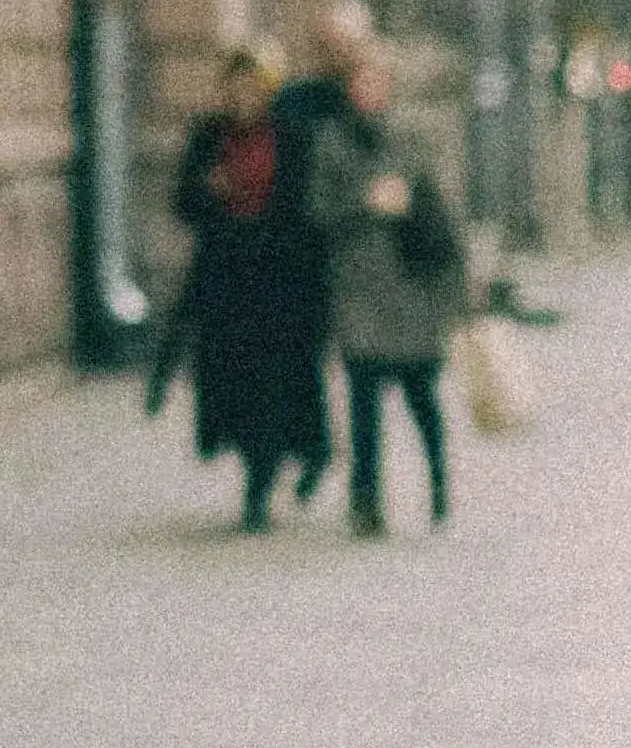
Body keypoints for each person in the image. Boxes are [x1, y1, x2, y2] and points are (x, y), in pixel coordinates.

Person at [163, 41, 329, 529]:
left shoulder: (292, 138)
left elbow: (303, 211)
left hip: (280, 283)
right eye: (235, 85)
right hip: (226, 281)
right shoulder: (209, 136)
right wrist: (207, 191)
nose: (243, 95)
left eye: (253, 86)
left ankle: (267, 480)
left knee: (276, 386)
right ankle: (258, 467)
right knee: (234, 385)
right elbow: (183, 202)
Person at [311, 40, 467, 531]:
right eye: (361, 81)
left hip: (410, 288)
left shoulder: (413, 139)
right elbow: (318, 212)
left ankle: (439, 484)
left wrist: (453, 293)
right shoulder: (331, 142)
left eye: (377, 81)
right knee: (363, 404)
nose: (369, 90)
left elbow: (441, 215)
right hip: (358, 289)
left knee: (422, 397)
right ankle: (365, 500)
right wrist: (365, 202)